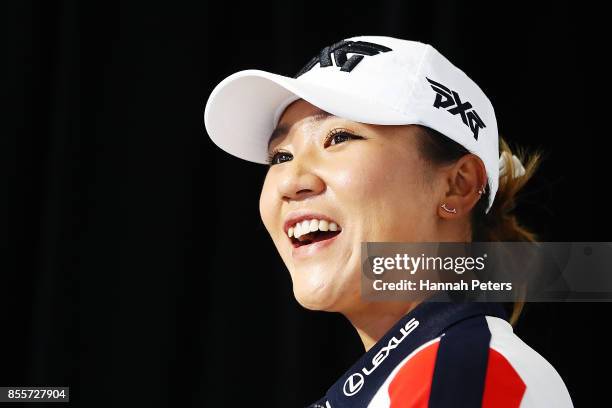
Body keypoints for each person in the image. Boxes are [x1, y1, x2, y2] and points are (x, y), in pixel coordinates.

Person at [203, 35, 574, 407]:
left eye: (339, 137)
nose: (290, 181)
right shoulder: (422, 379)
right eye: (280, 156)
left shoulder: (472, 375)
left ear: (458, 186)